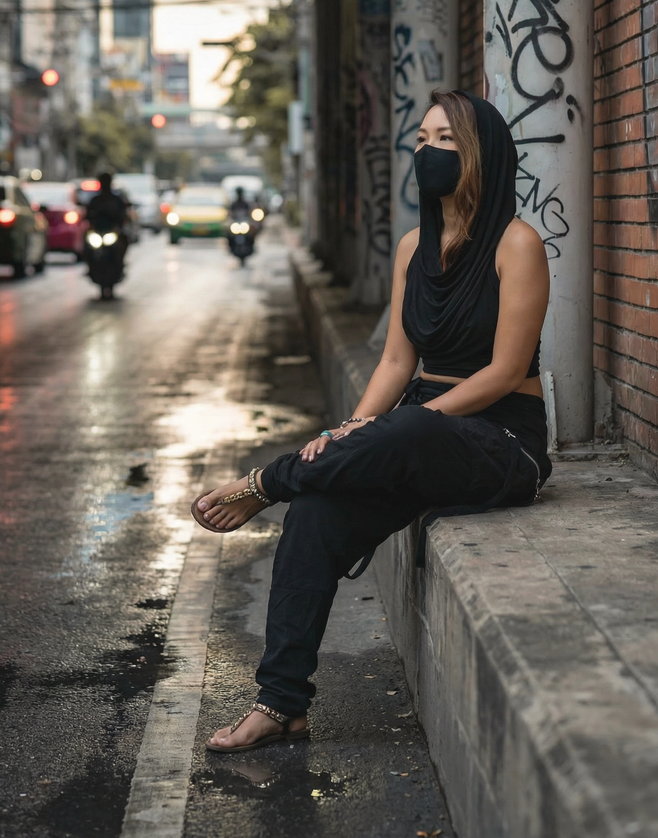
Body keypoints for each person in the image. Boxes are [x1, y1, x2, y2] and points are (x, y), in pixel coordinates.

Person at [191, 89, 552, 754]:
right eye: (422, 138)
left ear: (480, 156)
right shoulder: (416, 246)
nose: (428, 151)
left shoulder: (518, 243)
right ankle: (281, 702)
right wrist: (353, 427)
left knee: (408, 427)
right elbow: (394, 357)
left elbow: (504, 372)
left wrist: (402, 425)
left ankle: (265, 482)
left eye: (446, 140)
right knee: (316, 511)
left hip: (503, 438)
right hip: (421, 432)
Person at [86, 172, 129, 253]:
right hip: (98, 231)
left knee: (124, 238)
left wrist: (118, 225)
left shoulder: (116, 200)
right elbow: (88, 215)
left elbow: (123, 215)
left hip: (113, 229)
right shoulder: (95, 200)